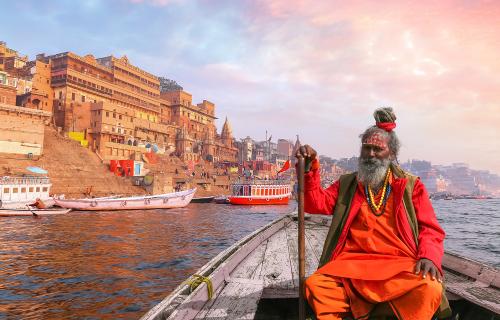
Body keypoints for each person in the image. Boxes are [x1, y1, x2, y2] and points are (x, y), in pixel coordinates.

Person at [295, 107, 448, 320]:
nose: (371, 154)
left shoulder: (411, 186)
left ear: (392, 154)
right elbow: (314, 204)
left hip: (398, 265)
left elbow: (430, 229)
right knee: (316, 286)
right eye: (366, 148)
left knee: (430, 288)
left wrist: (429, 256)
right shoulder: (348, 183)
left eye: (378, 149)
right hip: (351, 265)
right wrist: (311, 169)